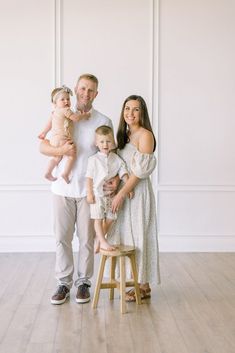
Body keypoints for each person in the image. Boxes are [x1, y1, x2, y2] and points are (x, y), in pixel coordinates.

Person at [39, 74, 118, 305]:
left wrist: (115, 181)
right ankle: (63, 283)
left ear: (96, 94)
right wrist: (60, 150)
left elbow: (110, 155)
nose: (86, 93)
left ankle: (83, 282)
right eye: (82, 88)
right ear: (76, 89)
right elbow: (43, 146)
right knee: (61, 238)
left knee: (86, 239)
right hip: (62, 189)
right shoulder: (62, 114)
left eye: (91, 90)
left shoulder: (103, 121)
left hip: (89, 191)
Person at [108, 95, 161, 302]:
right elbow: (118, 165)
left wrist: (121, 193)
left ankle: (143, 284)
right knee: (126, 236)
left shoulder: (145, 135)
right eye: (127, 108)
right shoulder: (123, 135)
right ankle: (136, 282)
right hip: (123, 190)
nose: (130, 113)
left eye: (136, 109)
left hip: (137, 193)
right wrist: (115, 183)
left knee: (140, 234)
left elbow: (139, 171)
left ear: (142, 113)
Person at [86, 125, 133, 253]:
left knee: (113, 215)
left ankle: (98, 239)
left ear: (113, 142)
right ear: (96, 143)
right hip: (98, 195)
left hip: (111, 195)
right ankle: (103, 241)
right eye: (101, 141)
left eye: (108, 141)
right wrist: (89, 193)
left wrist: (128, 186)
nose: (105, 144)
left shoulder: (116, 159)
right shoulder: (93, 160)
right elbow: (89, 178)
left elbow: (123, 171)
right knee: (98, 218)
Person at [38, 85, 90, 184]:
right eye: (62, 99)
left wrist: (43, 133)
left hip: (54, 140)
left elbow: (49, 124)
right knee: (72, 155)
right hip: (63, 139)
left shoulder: (54, 112)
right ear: (55, 103)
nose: (66, 101)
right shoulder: (66, 110)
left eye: (68, 99)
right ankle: (65, 173)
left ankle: (48, 172)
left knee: (56, 157)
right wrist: (84, 115)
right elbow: (75, 118)